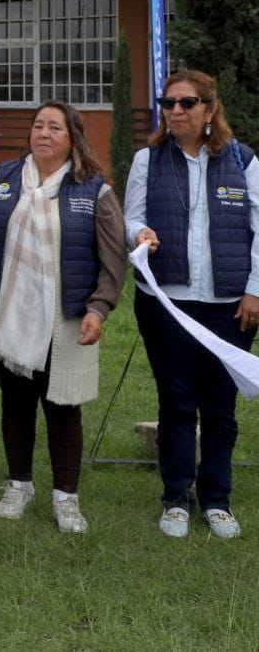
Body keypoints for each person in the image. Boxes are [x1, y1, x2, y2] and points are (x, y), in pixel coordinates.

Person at [0, 100, 126, 534]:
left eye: (54, 127)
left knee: (63, 406)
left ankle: (66, 498)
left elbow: (113, 258)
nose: (43, 133)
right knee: (15, 403)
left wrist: (99, 307)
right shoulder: (2, 178)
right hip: (11, 311)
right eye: (38, 125)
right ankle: (19, 485)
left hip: (66, 315)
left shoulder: (93, 188)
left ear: (72, 137)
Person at [124, 70, 259, 539]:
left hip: (229, 305)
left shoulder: (243, 161)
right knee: (177, 402)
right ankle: (176, 497)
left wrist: (255, 289)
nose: (175, 111)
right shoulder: (147, 159)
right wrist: (138, 233)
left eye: (186, 103)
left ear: (209, 109)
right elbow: (132, 216)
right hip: (168, 302)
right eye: (168, 103)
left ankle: (216, 499)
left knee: (221, 406)